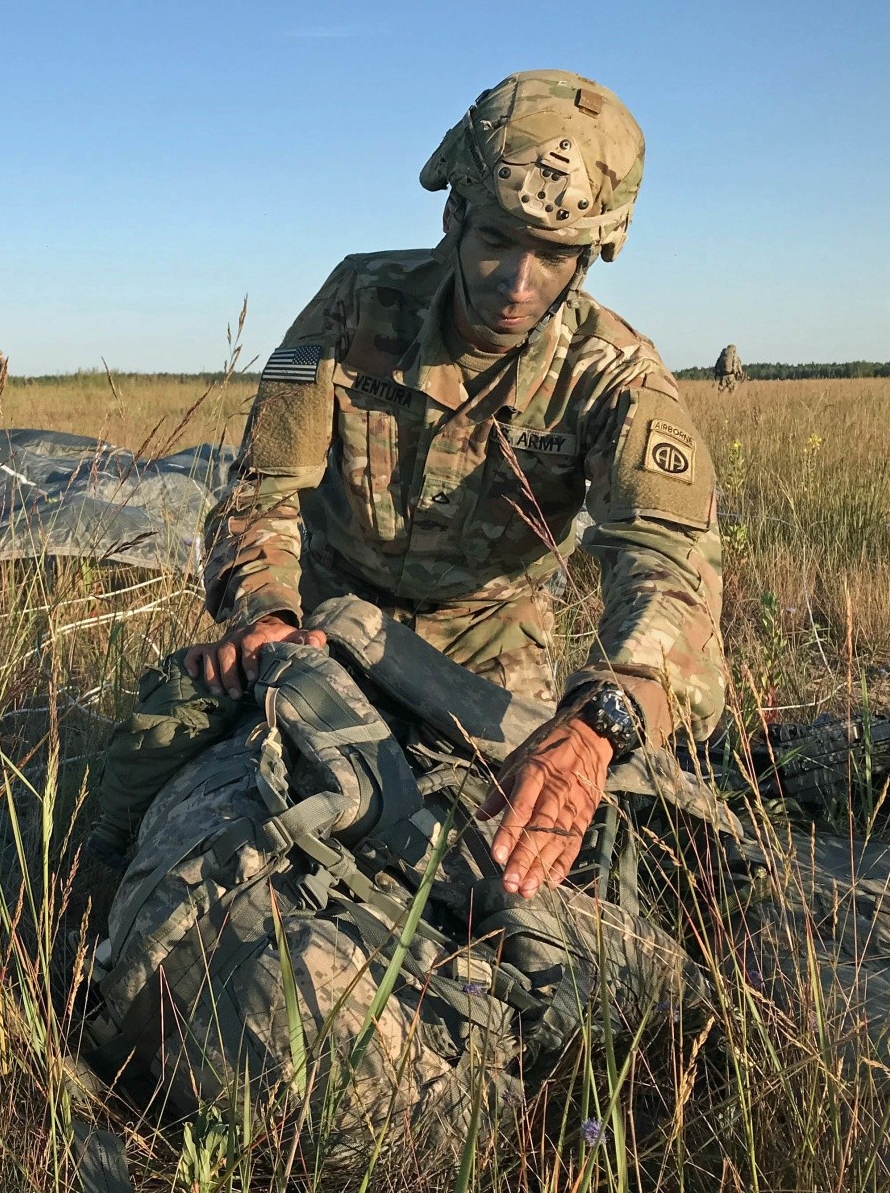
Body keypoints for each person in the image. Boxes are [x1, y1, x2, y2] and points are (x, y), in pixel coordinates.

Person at [184, 69, 726, 902]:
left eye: (553, 257)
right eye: (497, 242)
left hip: (487, 655)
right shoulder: (357, 303)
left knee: (504, 880)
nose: (518, 282)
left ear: (593, 254)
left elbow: (669, 567)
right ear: (453, 218)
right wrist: (265, 614)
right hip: (323, 623)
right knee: (210, 803)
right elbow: (261, 488)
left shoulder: (614, 374)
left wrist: (596, 724)